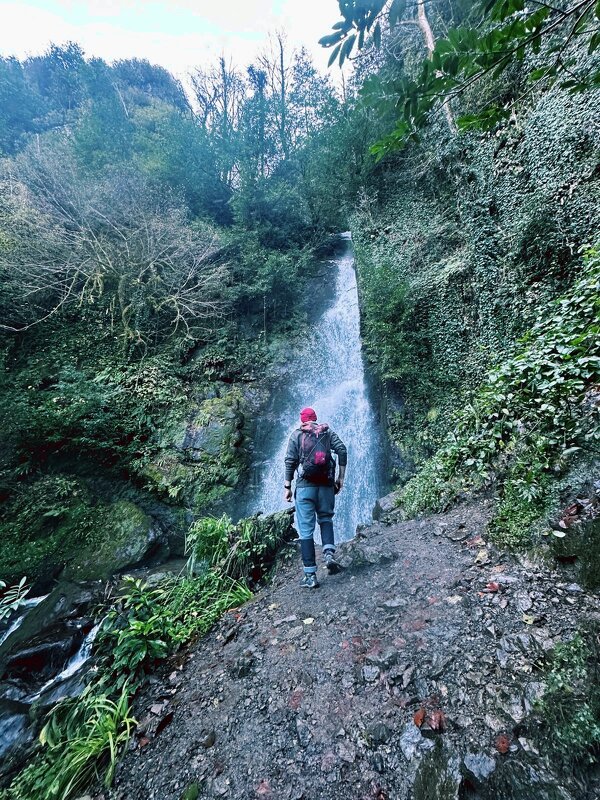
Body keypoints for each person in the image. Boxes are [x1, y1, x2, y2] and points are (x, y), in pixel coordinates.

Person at [284, 407, 347, 588]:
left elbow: (290, 461)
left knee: (305, 530)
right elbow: (342, 449)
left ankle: (310, 575)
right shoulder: (326, 433)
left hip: (305, 488)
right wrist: (340, 478)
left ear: (302, 420)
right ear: (316, 419)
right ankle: (329, 555)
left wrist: (287, 486)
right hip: (326, 486)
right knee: (326, 519)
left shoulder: (297, 435)